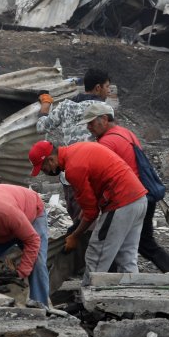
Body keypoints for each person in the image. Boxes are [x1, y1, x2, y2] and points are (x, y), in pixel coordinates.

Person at [28, 140, 147, 284]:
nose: (46, 173)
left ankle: (90, 299)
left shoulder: (74, 168)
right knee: (127, 258)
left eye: (44, 169)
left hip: (120, 203)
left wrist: (75, 236)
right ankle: (132, 300)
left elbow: (91, 213)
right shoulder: (78, 149)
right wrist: (81, 217)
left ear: (51, 160)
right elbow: (91, 197)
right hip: (138, 198)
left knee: (95, 255)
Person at [83, 102, 169, 273]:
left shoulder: (107, 143)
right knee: (140, 243)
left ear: (105, 119)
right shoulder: (126, 133)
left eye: (91, 123)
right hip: (144, 195)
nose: (89, 127)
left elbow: (102, 176)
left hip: (129, 198)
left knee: (118, 243)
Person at [36, 68, 111, 223]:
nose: (108, 91)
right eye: (107, 87)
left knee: (79, 222)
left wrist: (45, 104)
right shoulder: (105, 111)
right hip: (96, 176)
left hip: (70, 177)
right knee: (96, 226)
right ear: (98, 88)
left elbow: (41, 127)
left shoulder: (65, 107)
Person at [0, 184, 50, 313]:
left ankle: (41, 307)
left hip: (30, 216)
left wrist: (21, 273)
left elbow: (33, 240)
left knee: (38, 262)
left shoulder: (6, 213)